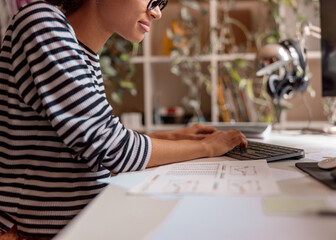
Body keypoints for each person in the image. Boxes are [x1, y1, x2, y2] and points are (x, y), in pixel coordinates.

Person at [0, 0, 247, 238]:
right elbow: (110, 148)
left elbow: (82, 147)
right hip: (28, 234)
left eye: (161, 3)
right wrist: (206, 147)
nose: (157, 12)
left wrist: (172, 136)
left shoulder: (80, 50)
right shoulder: (41, 23)